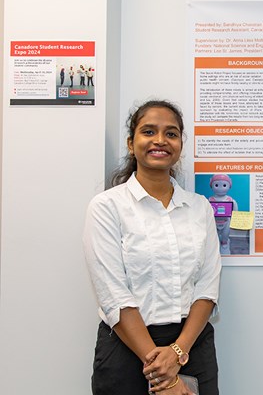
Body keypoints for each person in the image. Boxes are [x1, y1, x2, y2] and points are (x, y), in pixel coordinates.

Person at [83, 100, 221, 395]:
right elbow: (114, 296)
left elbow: (207, 289)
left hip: (191, 346)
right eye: (149, 132)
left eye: (171, 134)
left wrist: (178, 352)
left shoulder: (200, 208)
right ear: (131, 144)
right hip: (127, 346)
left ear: (180, 144)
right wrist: (165, 376)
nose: (160, 140)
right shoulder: (107, 207)